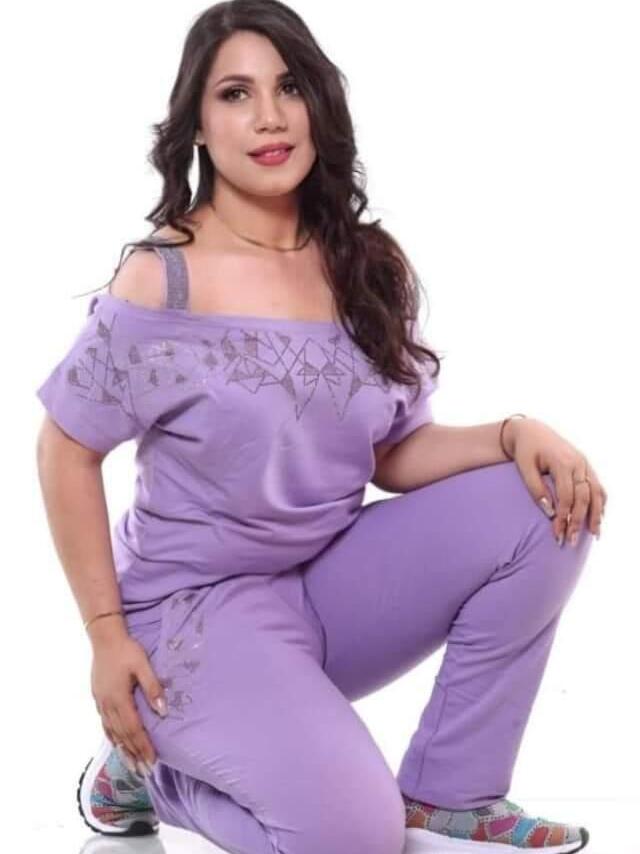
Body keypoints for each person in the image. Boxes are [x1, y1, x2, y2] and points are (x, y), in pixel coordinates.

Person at [35, 2, 603, 852]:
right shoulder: (164, 281)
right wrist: (105, 638)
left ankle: (452, 790)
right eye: (235, 94)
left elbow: (391, 453)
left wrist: (514, 434)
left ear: (318, 105)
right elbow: (66, 449)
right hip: (192, 616)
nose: (269, 116)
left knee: (548, 503)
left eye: (290, 87)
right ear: (198, 124)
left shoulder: (366, 264)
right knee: (353, 838)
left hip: (329, 586)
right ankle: (150, 774)